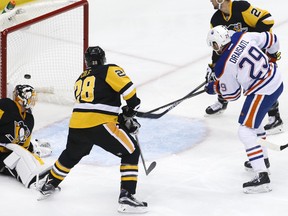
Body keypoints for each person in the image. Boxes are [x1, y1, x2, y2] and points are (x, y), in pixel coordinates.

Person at [38, 46, 148, 213]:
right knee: (131, 151)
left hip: (77, 124)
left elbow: (95, 103)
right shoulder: (110, 69)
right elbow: (129, 92)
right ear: (103, 59)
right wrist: (131, 108)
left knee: (71, 155)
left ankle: (49, 183)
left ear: (87, 62)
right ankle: (126, 196)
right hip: (100, 124)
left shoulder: (80, 78)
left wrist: (121, 118)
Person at [205, 25, 283, 193]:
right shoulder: (244, 37)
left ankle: (262, 177)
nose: (214, 48)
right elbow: (272, 39)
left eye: (214, 45)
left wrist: (216, 87)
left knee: (245, 131)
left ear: (219, 43)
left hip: (263, 90)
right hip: (276, 79)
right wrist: (272, 57)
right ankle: (263, 161)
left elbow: (232, 95)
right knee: (256, 125)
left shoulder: (223, 66)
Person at [206, 0, 283, 136]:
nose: (210, 1)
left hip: (253, 47)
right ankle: (221, 101)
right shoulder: (216, 19)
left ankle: (274, 115)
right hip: (238, 51)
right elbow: (217, 46)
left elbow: (267, 19)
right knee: (222, 72)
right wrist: (213, 67)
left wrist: (252, 41)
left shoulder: (241, 7)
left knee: (261, 81)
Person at [0, 84, 52, 188]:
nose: (33, 100)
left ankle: (46, 177)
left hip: (7, 152)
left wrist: (32, 152)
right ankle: (34, 182)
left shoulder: (29, 119)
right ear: (21, 97)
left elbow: (24, 147)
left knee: (23, 155)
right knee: (16, 160)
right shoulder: (6, 105)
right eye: (30, 97)